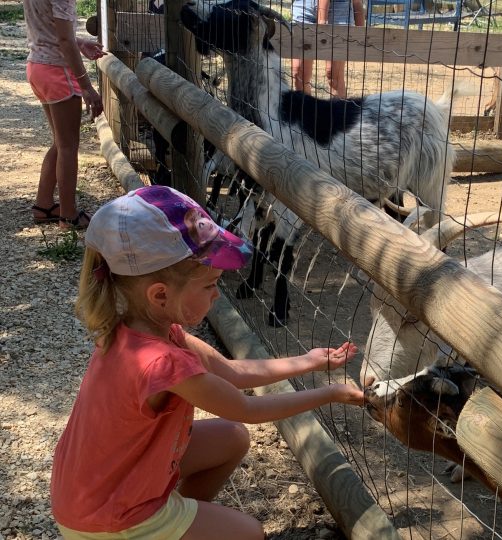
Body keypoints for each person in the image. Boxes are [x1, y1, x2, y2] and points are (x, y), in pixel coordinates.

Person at [50, 186, 365, 539]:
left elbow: (230, 372)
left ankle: (176, 527)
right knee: (250, 534)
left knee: (230, 439)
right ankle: (155, 529)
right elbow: (247, 408)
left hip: (95, 487)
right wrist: (330, 393)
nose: (217, 293)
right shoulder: (163, 363)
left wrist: (307, 362)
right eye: (210, 285)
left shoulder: (143, 329)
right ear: (160, 294)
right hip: (111, 516)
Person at [23, 0, 105, 229]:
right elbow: (64, 39)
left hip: (37, 66)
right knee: (68, 146)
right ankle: (69, 215)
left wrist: (80, 43)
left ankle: (44, 205)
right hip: (56, 71)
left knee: (60, 143)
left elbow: (50, 29)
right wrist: (86, 87)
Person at [291, 0, 365, 97]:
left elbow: (357, 2)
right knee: (298, 74)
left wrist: (360, 25)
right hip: (304, 6)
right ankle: (306, 111)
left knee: (334, 76)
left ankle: (337, 111)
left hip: (339, 8)